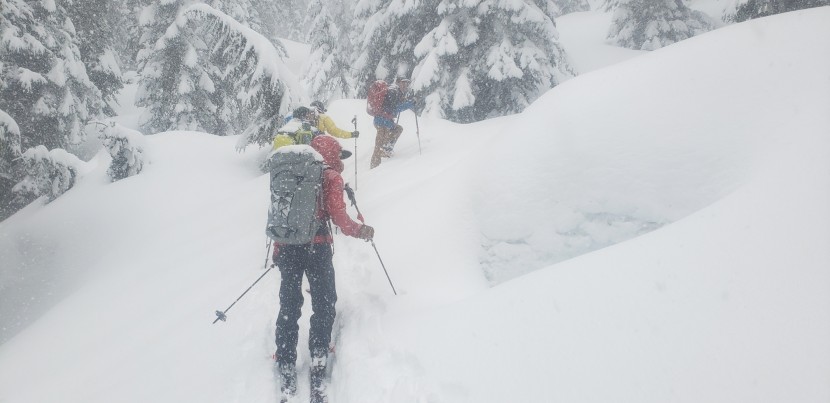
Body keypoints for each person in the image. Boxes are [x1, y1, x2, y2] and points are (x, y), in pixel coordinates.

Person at [273, 135, 374, 402]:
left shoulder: (290, 173)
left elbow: (279, 214)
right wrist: (360, 230)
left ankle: (285, 360)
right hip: (316, 249)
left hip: (288, 247)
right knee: (324, 302)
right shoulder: (330, 177)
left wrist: (278, 249)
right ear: (332, 154)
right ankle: (318, 356)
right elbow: (339, 216)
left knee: (289, 305)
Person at [370, 77, 415, 169]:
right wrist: (410, 103)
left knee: (398, 129)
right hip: (383, 123)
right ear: (398, 82)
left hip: (384, 121)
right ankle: (375, 168)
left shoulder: (394, 91)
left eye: (407, 83)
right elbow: (396, 108)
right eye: (403, 83)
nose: (405, 85)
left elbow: (393, 107)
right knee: (378, 147)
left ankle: (386, 150)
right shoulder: (393, 91)